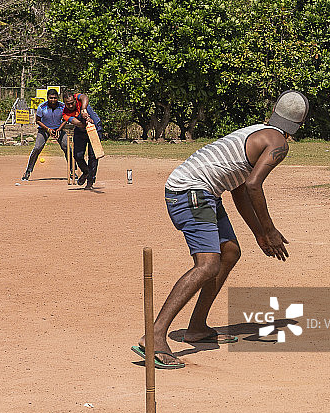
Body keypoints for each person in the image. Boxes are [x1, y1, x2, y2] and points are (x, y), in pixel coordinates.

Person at [135, 90, 310, 368]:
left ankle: (197, 327)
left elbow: (240, 189)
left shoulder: (259, 132)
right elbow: (254, 185)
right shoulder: (278, 143)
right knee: (207, 265)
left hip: (202, 191)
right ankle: (154, 335)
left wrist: (259, 234)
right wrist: (271, 230)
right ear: (299, 125)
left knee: (229, 253)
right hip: (190, 191)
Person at [22, 89, 68, 181]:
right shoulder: (42, 107)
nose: (53, 100)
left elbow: (66, 118)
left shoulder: (63, 106)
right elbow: (37, 120)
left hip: (58, 129)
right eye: (51, 98)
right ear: (47, 98)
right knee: (37, 148)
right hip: (44, 129)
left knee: (67, 147)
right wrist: (47, 129)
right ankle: (28, 171)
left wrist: (59, 129)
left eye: (55, 98)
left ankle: (72, 171)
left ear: (57, 98)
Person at [60, 90, 103, 189]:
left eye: (72, 103)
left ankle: (90, 181)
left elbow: (85, 97)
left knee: (93, 156)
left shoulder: (78, 97)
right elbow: (78, 123)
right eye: (68, 104)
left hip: (95, 128)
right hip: (81, 129)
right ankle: (86, 171)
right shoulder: (65, 113)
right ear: (64, 103)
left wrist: (84, 110)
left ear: (75, 100)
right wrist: (86, 121)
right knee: (77, 155)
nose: (70, 106)